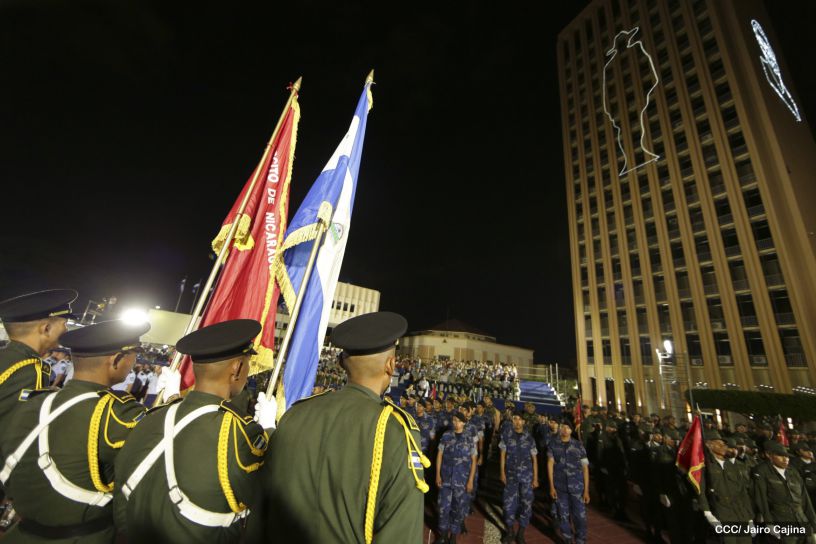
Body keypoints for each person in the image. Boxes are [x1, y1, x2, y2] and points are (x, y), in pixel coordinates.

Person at [256, 312, 426, 543]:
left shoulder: (296, 413)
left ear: (340, 363)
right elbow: (401, 534)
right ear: (391, 364)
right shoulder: (395, 432)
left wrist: (268, 430)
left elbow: (262, 504)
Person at [0, 319, 172, 543]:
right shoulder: (116, 413)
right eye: (135, 353)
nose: (134, 361)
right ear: (117, 360)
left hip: (20, 534)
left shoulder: (36, 401)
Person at [114, 319, 271, 544]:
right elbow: (267, 495)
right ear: (236, 368)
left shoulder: (152, 416)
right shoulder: (239, 432)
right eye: (247, 363)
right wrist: (269, 428)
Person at [0, 289, 77, 431]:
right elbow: (16, 431)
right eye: (65, 324)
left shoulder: (6, 356)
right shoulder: (29, 369)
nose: (66, 330)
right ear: (46, 329)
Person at [697, 430, 754, 543]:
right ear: (709, 445)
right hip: (722, 514)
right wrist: (707, 513)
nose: (724, 446)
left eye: (724, 444)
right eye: (720, 444)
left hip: (740, 513)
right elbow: (701, 490)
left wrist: (750, 517)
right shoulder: (705, 466)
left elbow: (742, 492)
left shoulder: (731, 465)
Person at [753, 440, 816, 542]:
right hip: (781, 519)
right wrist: (769, 523)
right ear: (770, 456)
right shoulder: (763, 471)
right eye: (780, 456)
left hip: (801, 518)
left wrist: (813, 522)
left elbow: (805, 498)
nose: (785, 459)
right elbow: (762, 499)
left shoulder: (793, 471)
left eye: (787, 456)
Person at [436, 411, 477, 544]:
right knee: (443, 508)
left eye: (459, 421)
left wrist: (470, 480)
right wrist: (437, 474)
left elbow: (474, 460)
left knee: (458, 508)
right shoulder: (446, 435)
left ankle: (453, 536)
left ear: (464, 422)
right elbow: (439, 455)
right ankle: (442, 536)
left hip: (462, 480)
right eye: (454, 420)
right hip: (446, 478)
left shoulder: (469, 438)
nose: (456, 423)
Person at [500, 411, 539, 544]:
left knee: (526, 503)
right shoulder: (506, 435)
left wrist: (535, 478)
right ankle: (510, 531)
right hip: (510, 475)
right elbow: (502, 455)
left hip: (527, 476)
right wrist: (502, 472)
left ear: (524, 422)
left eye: (519, 419)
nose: (517, 421)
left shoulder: (529, 438)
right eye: (515, 419)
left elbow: (534, 459)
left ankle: (521, 532)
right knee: (508, 503)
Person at [548, 422, 589, 544]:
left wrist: (586, 490)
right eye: (563, 427)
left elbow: (585, 468)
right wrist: (551, 487)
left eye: (568, 427)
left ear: (572, 430)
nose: (565, 430)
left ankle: (580, 540)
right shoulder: (553, 445)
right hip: (560, 487)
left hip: (577, 488)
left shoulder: (578, 445)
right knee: (563, 517)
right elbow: (550, 465)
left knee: (580, 518)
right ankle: (567, 539)